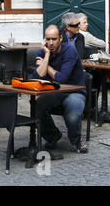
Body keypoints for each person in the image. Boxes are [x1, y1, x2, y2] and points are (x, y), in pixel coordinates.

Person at [33, 24, 88, 153]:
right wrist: (46, 55)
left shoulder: (70, 51)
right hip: (55, 91)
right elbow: (37, 76)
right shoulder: (43, 51)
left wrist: (47, 67)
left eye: (54, 39)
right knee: (37, 107)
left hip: (75, 90)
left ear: (61, 38)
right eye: (48, 39)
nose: (50, 43)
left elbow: (62, 78)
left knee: (72, 115)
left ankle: (76, 140)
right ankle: (53, 136)